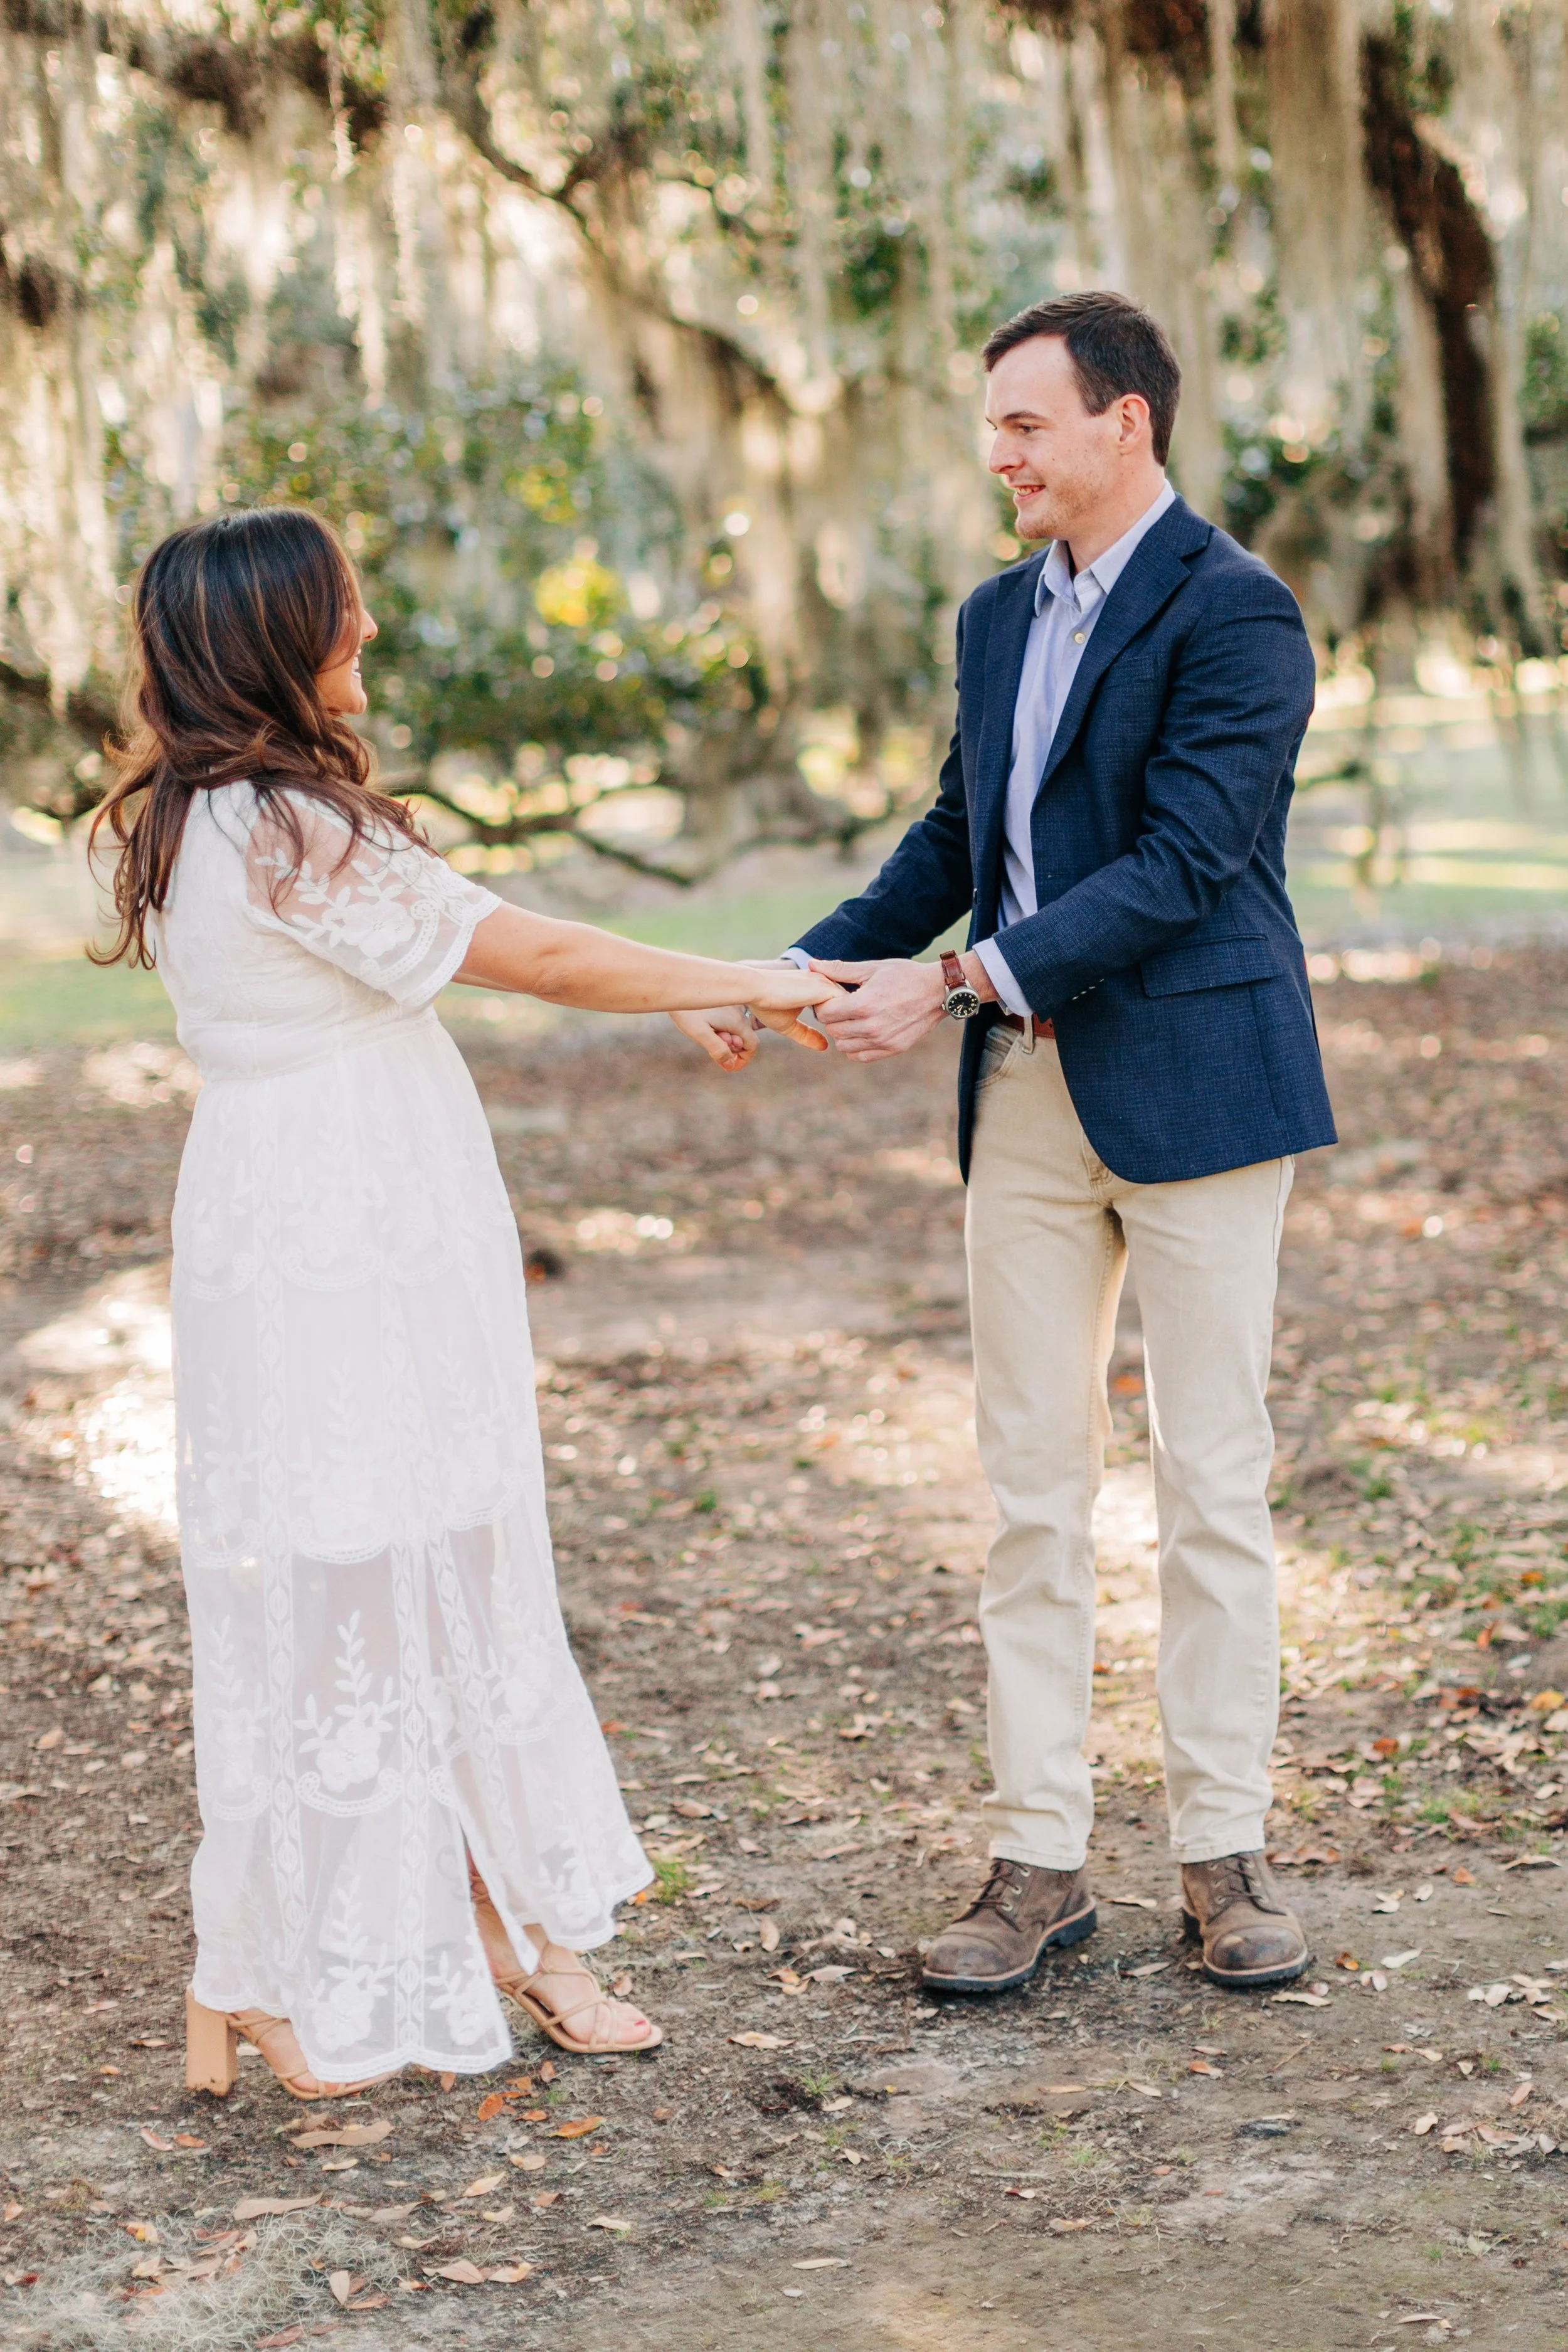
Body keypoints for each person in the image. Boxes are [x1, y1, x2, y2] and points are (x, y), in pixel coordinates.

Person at [90, 506, 838, 2101]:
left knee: (410, 1557)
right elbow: (535, 959)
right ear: (275, 641)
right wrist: (750, 979)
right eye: (341, 611)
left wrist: (694, 992)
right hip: (339, 1228)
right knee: (369, 1570)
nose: (365, 631)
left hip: (325, 1212)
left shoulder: (207, 815)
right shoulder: (285, 826)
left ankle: (491, 1929)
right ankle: (283, 1969)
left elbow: (474, 944)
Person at [729, 290, 1337, 1992]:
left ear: (1121, 421)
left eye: (1021, 424)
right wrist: (780, 976)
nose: (995, 454)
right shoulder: (995, 614)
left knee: (1211, 1480)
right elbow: (955, 836)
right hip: (1024, 1102)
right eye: (989, 426)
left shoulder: (1237, 609)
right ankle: (1035, 1860)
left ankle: (1223, 1854)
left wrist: (950, 981)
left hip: (1202, 1089)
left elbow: (1183, 862)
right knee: (1029, 1491)